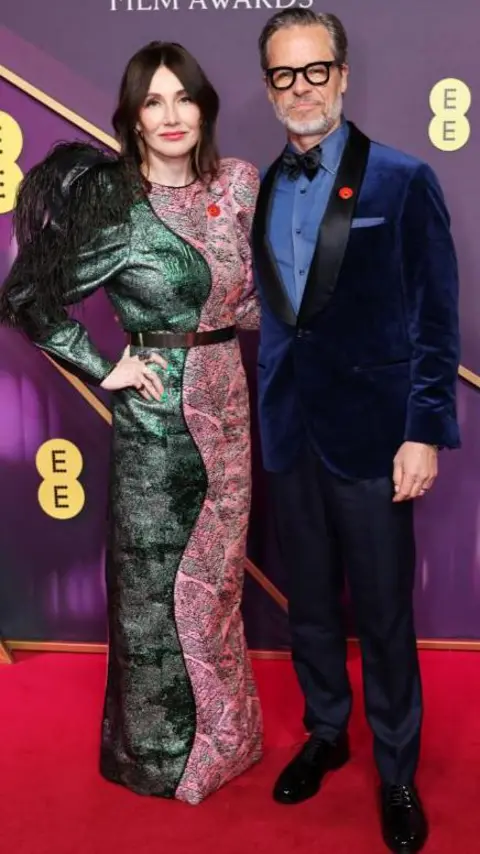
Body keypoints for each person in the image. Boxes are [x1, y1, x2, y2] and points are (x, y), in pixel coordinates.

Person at [0, 41, 263, 805]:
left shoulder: (239, 184)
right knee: (157, 590)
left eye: (184, 97)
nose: (172, 114)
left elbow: (244, 299)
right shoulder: (118, 204)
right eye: (153, 101)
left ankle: (229, 736)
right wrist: (102, 363)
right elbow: (29, 296)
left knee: (216, 587)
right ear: (134, 119)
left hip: (230, 409)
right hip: (158, 425)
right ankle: (158, 757)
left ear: (204, 106)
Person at [252, 10, 459, 852]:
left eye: (314, 71)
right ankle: (328, 733)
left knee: (380, 614)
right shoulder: (263, 184)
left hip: (376, 438)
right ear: (268, 89)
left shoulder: (403, 181)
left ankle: (397, 770)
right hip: (291, 431)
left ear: (341, 76)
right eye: (283, 75)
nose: (299, 88)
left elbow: (435, 321)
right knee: (308, 606)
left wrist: (424, 433)